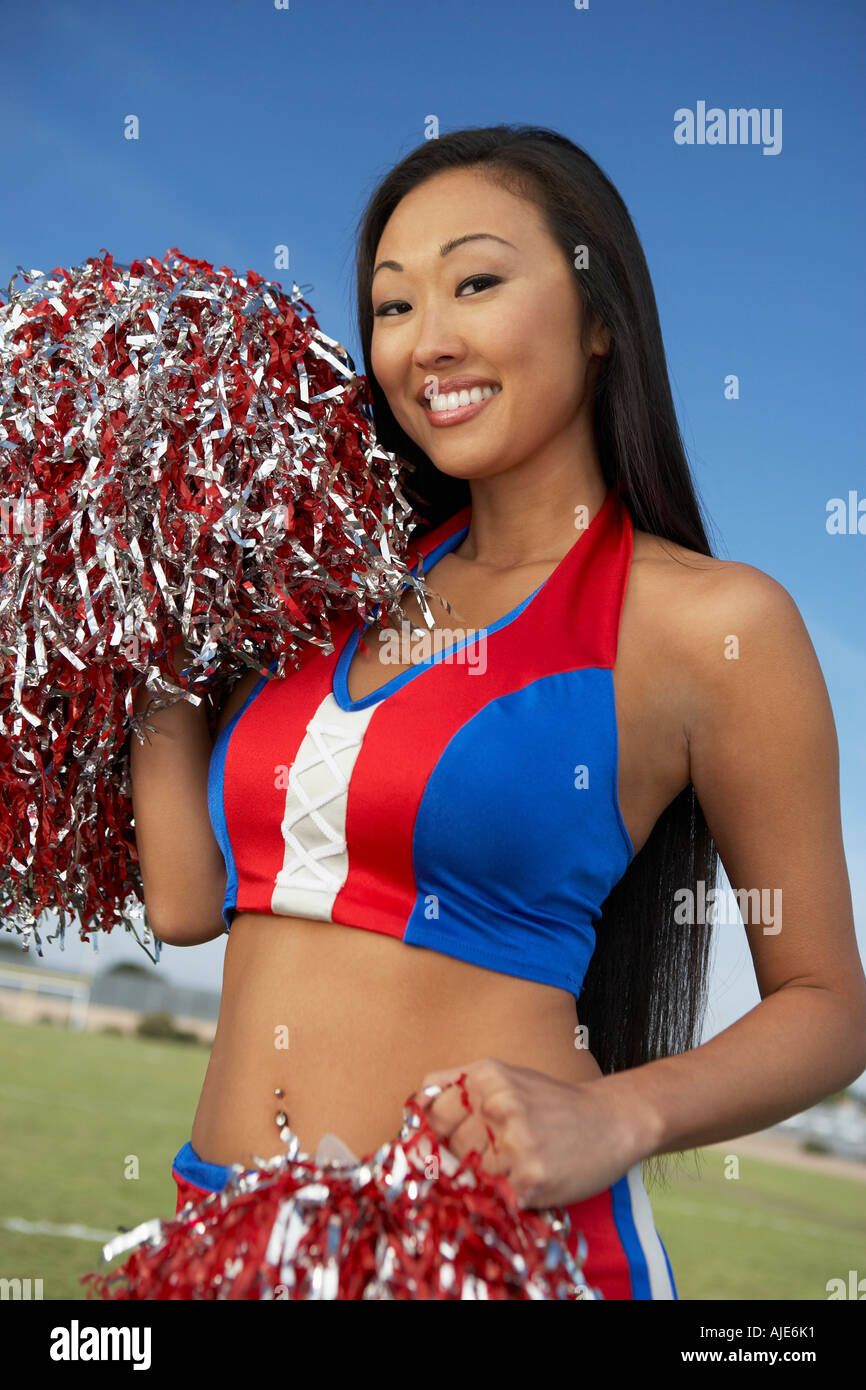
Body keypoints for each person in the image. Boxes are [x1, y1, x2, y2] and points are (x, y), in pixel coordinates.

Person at [130, 124, 866, 1301]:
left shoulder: (707, 623)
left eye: (475, 281)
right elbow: (181, 899)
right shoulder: (323, 589)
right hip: (223, 1236)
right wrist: (150, 585)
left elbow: (828, 1007)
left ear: (596, 316)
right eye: (389, 305)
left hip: (490, 1253)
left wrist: (617, 1115)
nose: (428, 342)